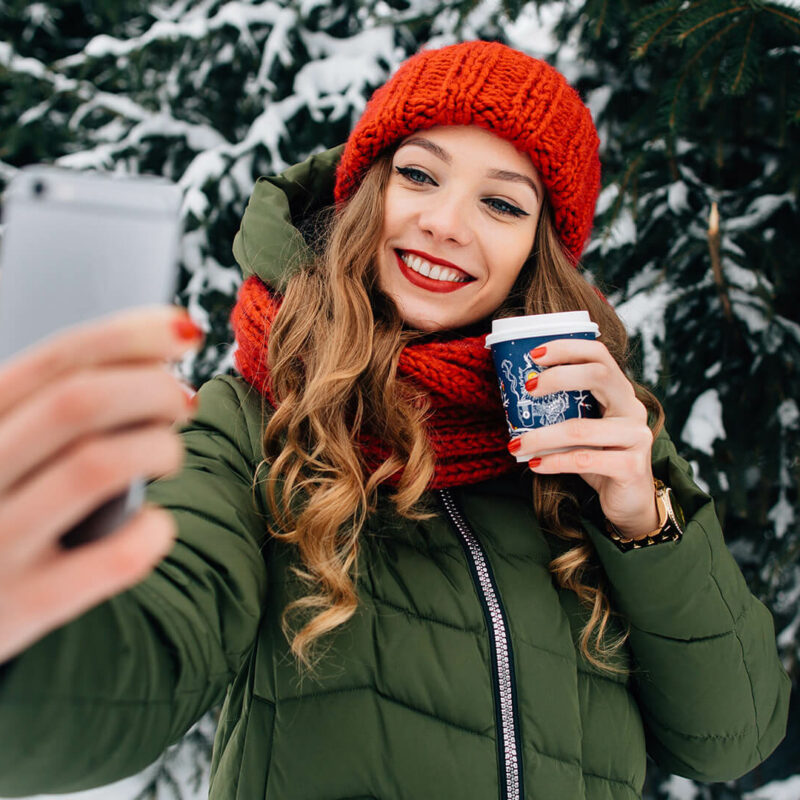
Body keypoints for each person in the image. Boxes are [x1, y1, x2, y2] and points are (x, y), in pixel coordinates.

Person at [0, 40, 790, 800]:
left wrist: (642, 519)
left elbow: (730, 738)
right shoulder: (252, 418)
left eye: (502, 203)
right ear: (368, 190)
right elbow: (137, 669)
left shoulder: (596, 432)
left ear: (538, 250)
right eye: (419, 174)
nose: (447, 222)